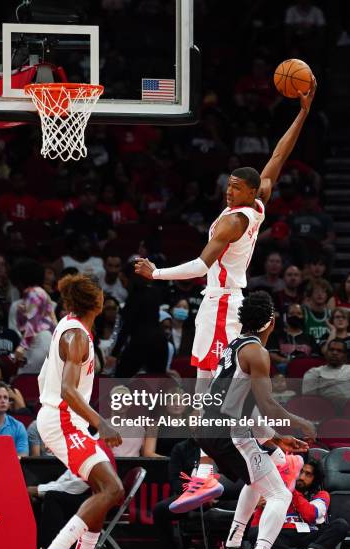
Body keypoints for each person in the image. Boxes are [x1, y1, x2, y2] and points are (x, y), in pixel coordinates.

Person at [136, 81, 316, 489]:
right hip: (221, 302)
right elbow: (278, 156)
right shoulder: (256, 202)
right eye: (229, 184)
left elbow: (201, 264)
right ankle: (263, 447)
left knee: (210, 386)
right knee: (221, 385)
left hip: (221, 303)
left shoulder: (235, 220)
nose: (228, 189)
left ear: (249, 192)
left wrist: (157, 273)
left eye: (236, 186)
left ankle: (207, 469)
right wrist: (302, 113)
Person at [170, 292, 315, 549]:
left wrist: (276, 439)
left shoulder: (234, 346)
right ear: (270, 322)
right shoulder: (257, 352)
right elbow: (268, 405)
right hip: (228, 432)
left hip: (210, 429)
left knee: (263, 473)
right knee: (280, 495)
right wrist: (302, 422)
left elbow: (242, 405)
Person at [29, 274, 124, 549]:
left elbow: (50, 379)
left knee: (106, 491)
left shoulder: (70, 326)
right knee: (111, 489)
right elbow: (69, 390)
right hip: (63, 419)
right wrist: (102, 423)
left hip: (64, 419)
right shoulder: (77, 337)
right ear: (95, 303)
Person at [249, 458, 348, 549]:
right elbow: (256, 527)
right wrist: (260, 508)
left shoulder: (321, 495)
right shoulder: (275, 494)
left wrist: (290, 489)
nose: (301, 477)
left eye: (308, 474)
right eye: (299, 472)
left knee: (341, 524)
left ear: (315, 479)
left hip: (309, 535)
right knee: (254, 532)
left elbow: (311, 515)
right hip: (282, 535)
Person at [268, 303, 318, 373]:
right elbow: (272, 354)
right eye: (291, 313)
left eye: (299, 314)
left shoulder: (310, 338)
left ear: (303, 316)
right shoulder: (276, 335)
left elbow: (314, 357)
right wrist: (288, 362)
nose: (295, 316)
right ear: (286, 316)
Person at [302, 339, 350, 410]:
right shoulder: (314, 372)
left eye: (339, 351)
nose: (334, 353)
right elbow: (309, 400)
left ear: (345, 355)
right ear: (326, 352)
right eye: (331, 350)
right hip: (322, 410)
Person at [0, 382, 28, 457]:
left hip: (12, 467)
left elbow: (22, 457)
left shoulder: (18, 426)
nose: (3, 401)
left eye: (5, 397)